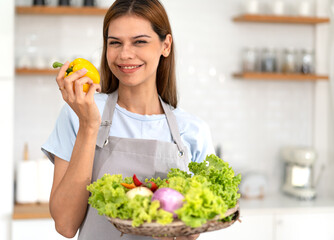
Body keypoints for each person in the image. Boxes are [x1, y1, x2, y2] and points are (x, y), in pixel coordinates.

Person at [41, 0, 214, 239]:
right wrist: (89, 126)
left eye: (139, 41)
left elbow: (192, 231)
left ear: (166, 45)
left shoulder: (193, 130)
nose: (125, 54)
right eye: (115, 43)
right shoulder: (79, 112)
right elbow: (65, 225)